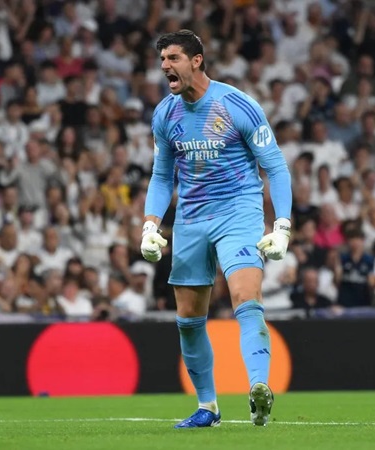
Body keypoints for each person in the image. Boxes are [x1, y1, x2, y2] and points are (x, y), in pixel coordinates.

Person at [141, 30, 292, 428]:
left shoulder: (236, 104)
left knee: (246, 296)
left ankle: (259, 387)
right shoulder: (165, 114)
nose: (164, 66)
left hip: (238, 212)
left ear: (197, 60)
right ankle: (208, 407)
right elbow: (161, 176)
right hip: (190, 219)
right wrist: (150, 224)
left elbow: (275, 166)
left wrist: (282, 225)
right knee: (188, 318)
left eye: (173, 57)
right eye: (162, 59)